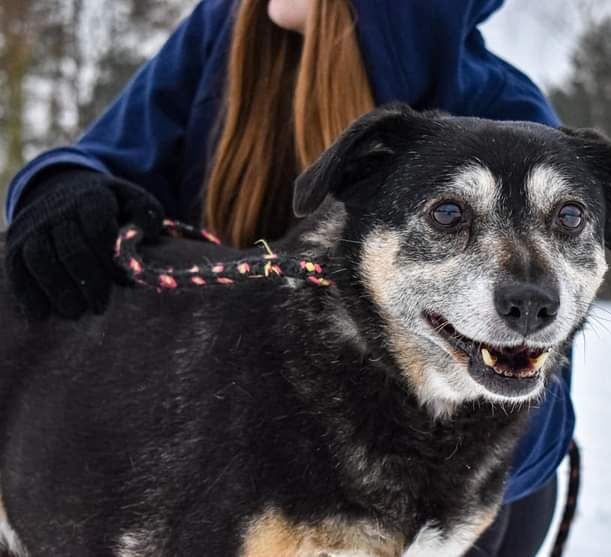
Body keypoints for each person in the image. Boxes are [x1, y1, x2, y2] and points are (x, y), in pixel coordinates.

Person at [3, 1, 574, 555]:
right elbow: (111, 157)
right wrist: (63, 185)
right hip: (233, 416)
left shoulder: (504, 117)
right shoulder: (226, 29)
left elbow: (534, 413)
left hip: (443, 488)